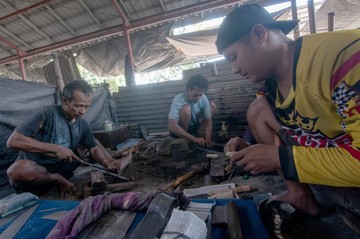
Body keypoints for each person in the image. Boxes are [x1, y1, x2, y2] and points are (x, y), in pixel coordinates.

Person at [217, 3, 360, 218]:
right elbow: (261, 120)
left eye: (233, 57)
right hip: (332, 159)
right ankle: (301, 196)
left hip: (352, 170)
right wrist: (247, 144)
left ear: (259, 34)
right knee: (257, 111)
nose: (234, 69)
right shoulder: (272, 86)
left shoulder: (342, 59)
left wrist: (281, 158)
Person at [6, 80, 126, 197]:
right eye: (78, 106)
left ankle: (60, 178)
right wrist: (55, 148)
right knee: (17, 171)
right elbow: (13, 141)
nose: (82, 111)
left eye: (86, 107)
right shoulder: (46, 114)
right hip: (37, 174)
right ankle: (56, 179)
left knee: (89, 141)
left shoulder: (82, 124)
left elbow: (93, 147)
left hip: (62, 169)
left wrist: (108, 162)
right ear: (64, 101)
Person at [168, 74, 216, 147]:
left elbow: (208, 120)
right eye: (195, 94)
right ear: (188, 89)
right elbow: (171, 126)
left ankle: (199, 132)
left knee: (212, 106)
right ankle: (185, 138)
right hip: (182, 130)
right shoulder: (178, 99)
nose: (198, 98)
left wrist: (208, 139)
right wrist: (193, 139)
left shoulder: (203, 98)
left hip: (194, 127)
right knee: (186, 109)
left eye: (200, 95)